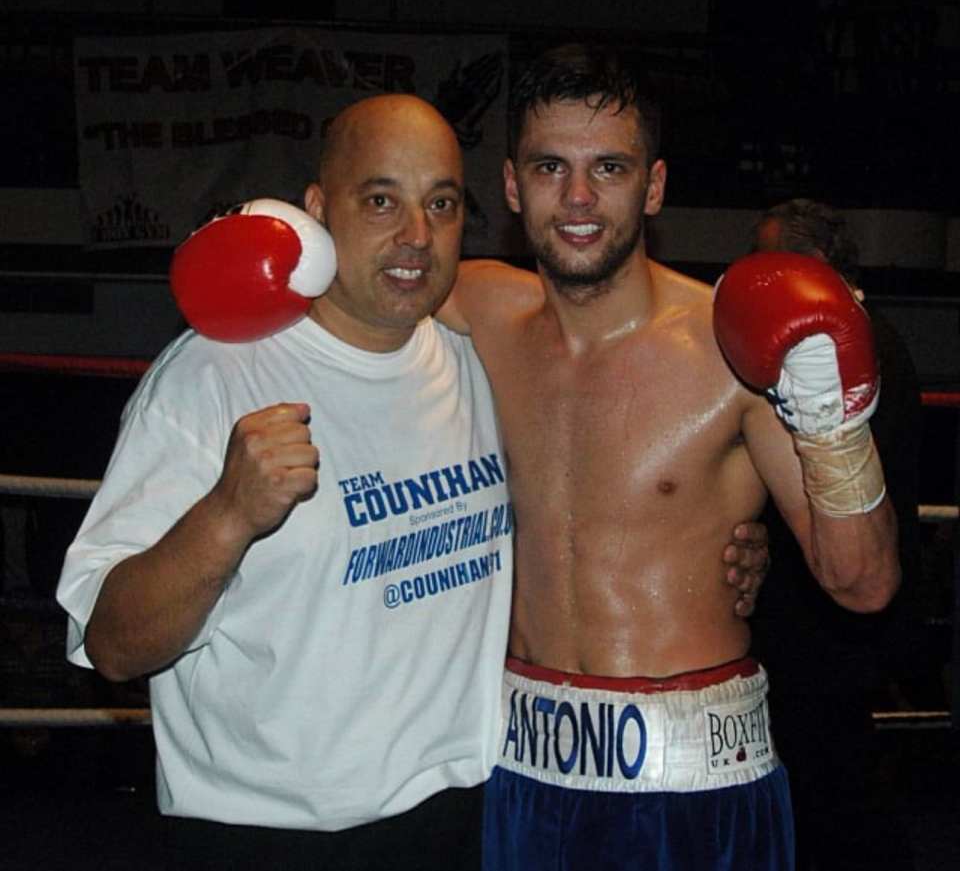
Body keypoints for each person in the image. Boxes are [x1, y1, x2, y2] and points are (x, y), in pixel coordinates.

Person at [55, 92, 768, 871]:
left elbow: (591, 497)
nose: (416, 236)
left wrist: (714, 546)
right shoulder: (214, 376)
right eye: (382, 200)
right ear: (319, 210)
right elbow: (114, 644)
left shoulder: (479, 359)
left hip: (461, 822)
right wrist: (225, 516)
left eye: (440, 203)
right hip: (259, 836)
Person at [436, 45, 901, 871]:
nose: (578, 199)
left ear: (652, 186)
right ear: (511, 185)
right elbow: (358, 277)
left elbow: (862, 583)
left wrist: (835, 426)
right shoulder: (479, 306)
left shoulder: (726, 347)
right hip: (525, 767)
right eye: (551, 167)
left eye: (608, 168)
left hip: (696, 788)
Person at [750, 198, 923, 871]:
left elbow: (844, 490)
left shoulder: (855, 344)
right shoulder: (856, 336)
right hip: (814, 610)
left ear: (812, 265)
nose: (756, 277)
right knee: (824, 787)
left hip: (830, 610)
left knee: (838, 799)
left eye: (771, 262)